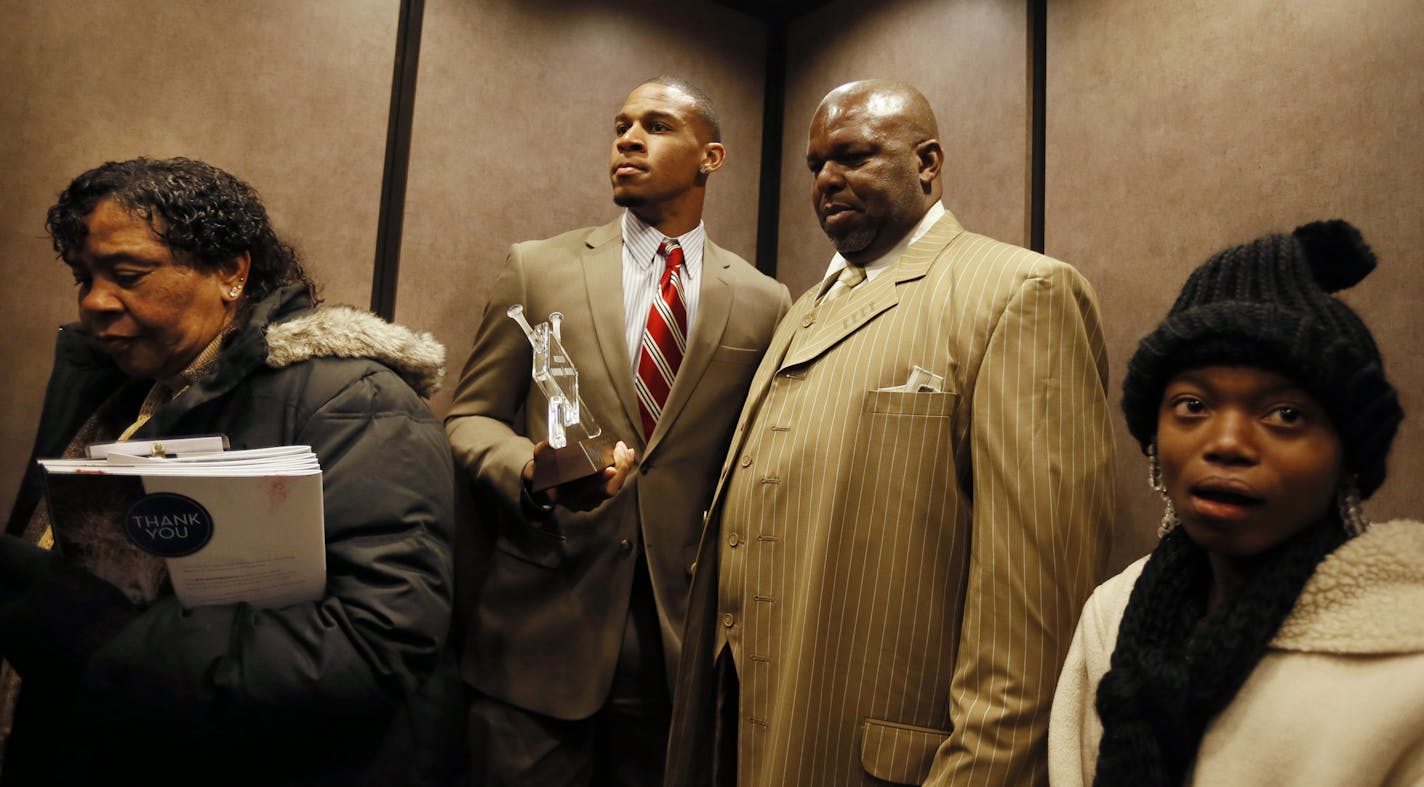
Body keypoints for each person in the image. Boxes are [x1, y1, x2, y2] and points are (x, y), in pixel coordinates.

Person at [666, 79, 1116, 786]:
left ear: (928, 163)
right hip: (751, 736)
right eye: (816, 165)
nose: (827, 180)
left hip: (887, 766)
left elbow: (1034, 620)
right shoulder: (800, 311)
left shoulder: (1020, 293)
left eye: (853, 155)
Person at [0, 157, 460, 786]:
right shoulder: (115, 386)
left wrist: (112, 642)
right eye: (84, 279)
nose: (95, 304)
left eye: (128, 275)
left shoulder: (356, 403)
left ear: (231, 272)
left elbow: (377, 645)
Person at [445, 76, 789, 786]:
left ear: (711, 157)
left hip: (676, 645)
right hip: (538, 630)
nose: (627, 138)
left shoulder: (762, 300)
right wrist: (530, 469)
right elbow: (470, 416)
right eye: (621, 125)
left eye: (656, 125)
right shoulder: (538, 268)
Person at [1048, 220, 1421, 786]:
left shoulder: (1405, 656)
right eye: (1192, 405)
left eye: (1286, 415)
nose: (1224, 443)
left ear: (1349, 458)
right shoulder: (1114, 611)